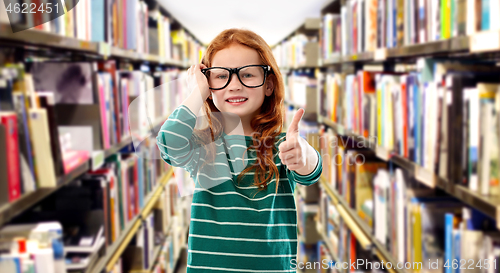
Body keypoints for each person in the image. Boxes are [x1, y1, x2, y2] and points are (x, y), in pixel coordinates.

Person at [156, 28, 322, 272]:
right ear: (208, 84)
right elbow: (168, 143)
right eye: (221, 77)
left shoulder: (284, 144)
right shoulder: (204, 144)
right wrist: (198, 93)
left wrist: (304, 155)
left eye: (247, 74)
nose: (234, 86)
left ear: (269, 85)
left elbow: (311, 171)